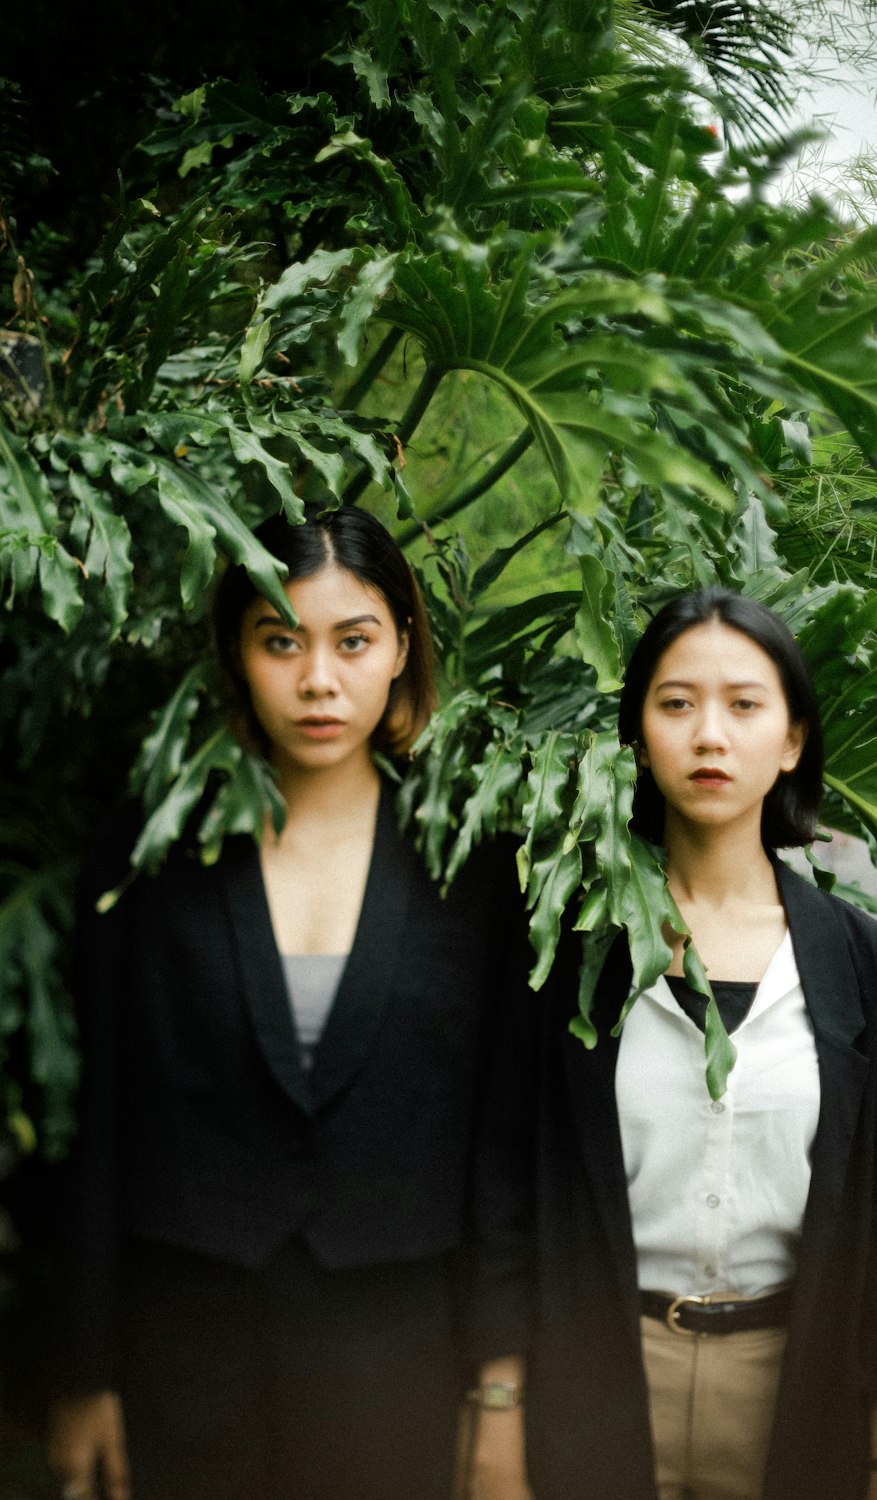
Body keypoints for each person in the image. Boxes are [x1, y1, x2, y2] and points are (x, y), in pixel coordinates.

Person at [47, 505, 534, 1500]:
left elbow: (502, 1142)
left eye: (352, 641)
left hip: (398, 1359)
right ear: (237, 651)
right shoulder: (154, 851)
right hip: (184, 1358)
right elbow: (93, 1123)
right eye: (281, 642)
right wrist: (82, 1372)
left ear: (400, 645)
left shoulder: (465, 862)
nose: (318, 679)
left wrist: (500, 1395)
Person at [525, 586, 877, 1500]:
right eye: (676, 704)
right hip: (594, 1381)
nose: (710, 735)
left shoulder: (860, 963)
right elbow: (514, 1198)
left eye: (745, 705)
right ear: (637, 735)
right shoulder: (569, 947)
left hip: (795, 1387)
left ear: (791, 740)